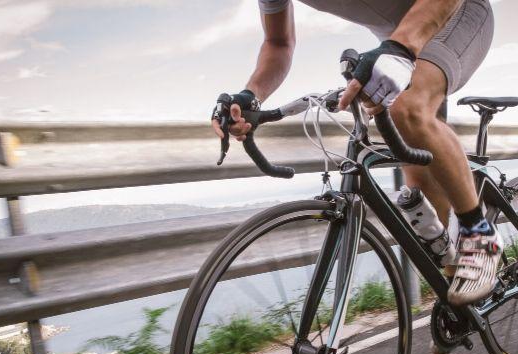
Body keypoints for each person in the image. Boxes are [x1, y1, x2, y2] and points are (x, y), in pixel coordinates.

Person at [212, 0, 501, 321]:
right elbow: (278, 43)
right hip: (400, 36)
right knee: (424, 199)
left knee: (406, 108)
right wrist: (251, 95)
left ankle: (480, 234)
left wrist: (401, 47)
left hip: (454, 13)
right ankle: (458, 303)